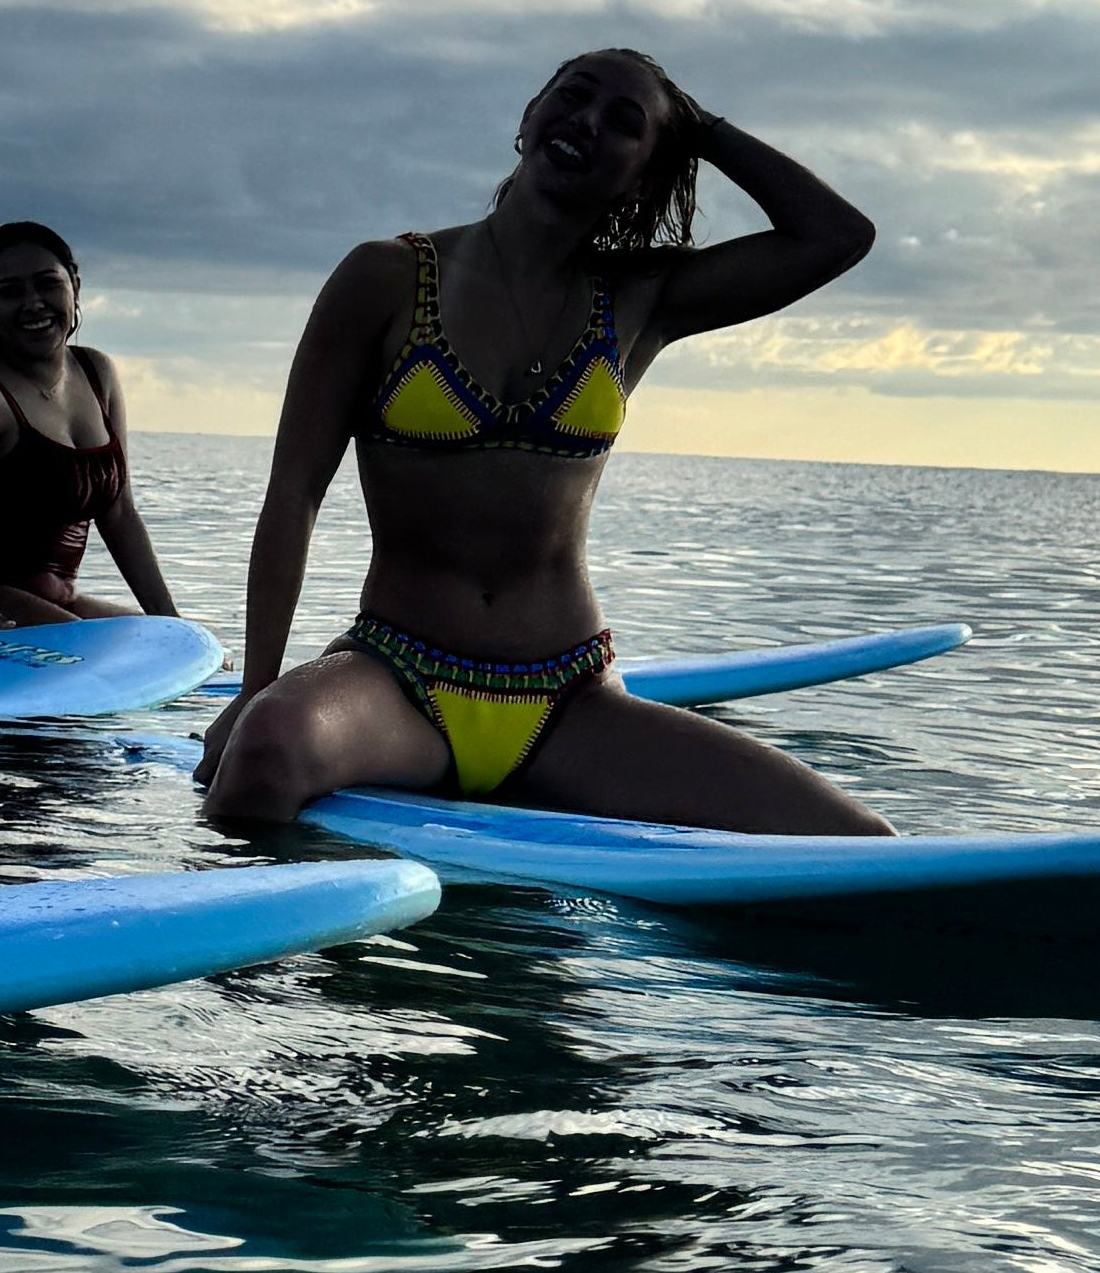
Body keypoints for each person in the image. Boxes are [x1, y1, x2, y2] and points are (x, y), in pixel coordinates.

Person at [201, 49, 888, 839]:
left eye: (623, 124)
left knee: (849, 839)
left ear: (644, 171)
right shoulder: (384, 277)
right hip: (398, 682)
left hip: (568, 700)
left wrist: (697, 128)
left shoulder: (643, 296)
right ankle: (244, 966)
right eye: (572, 97)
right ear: (528, 118)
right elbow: (294, 494)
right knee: (265, 751)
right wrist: (255, 688)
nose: (586, 122)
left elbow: (836, 236)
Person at [0, 223, 182, 637]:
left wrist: (173, 623)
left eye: (48, 285)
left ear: (74, 286)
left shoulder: (97, 374)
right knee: (87, 657)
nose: (34, 304)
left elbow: (120, 514)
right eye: (11, 291)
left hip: (56, 602)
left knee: (168, 647)